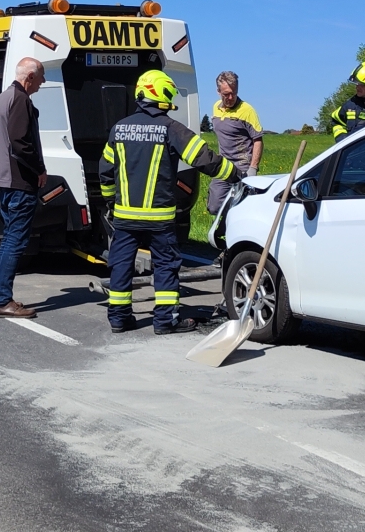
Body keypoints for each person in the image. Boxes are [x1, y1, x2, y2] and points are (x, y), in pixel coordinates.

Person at [98, 70, 242, 334]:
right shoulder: (169, 128)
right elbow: (203, 158)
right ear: (162, 95)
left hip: (125, 218)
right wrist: (234, 174)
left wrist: (110, 201)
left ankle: (119, 318)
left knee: (121, 265)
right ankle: (165, 321)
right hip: (159, 220)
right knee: (165, 266)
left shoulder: (119, 128)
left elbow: (106, 171)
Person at [0, 57, 47, 319]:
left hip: (2, 179)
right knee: (14, 241)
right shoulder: (20, 99)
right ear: (29, 77)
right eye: (41, 77)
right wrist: (39, 170)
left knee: (9, 239)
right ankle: (1, 300)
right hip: (18, 181)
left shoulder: (4, 97)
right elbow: (20, 143)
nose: (42, 83)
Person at [206, 71, 263, 215]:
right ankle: (223, 227)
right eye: (226, 94)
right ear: (218, 92)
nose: (231, 97)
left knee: (242, 208)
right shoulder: (215, 108)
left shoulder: (247, 111)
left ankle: (231, 231)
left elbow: (257, 140)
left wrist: (253, 168)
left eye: (234, 92)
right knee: (214, 206)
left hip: (242, 167)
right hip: (224, 166)